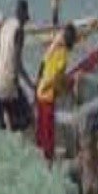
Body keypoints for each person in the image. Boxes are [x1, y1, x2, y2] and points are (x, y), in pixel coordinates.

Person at [35, 23, 77, 161]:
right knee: (47, 131)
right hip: (46, 94)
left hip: (42, 93)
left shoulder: (57, 51)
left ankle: (44, 158)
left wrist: (40, 85)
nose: (58, 35)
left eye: (61, 33)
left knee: (43, 129)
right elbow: (54, 75)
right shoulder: (60, 52)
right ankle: (48, 160)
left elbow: (46, 67)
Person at [0, 0, 35, 131]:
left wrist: (0, 76)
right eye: (25, 20)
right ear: (23, 14)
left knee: (6, 128)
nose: (25, 23)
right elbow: (17, 63)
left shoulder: (5, 25)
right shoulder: (19, 31)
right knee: (29, 119)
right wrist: (31, 85)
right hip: (10, 86)